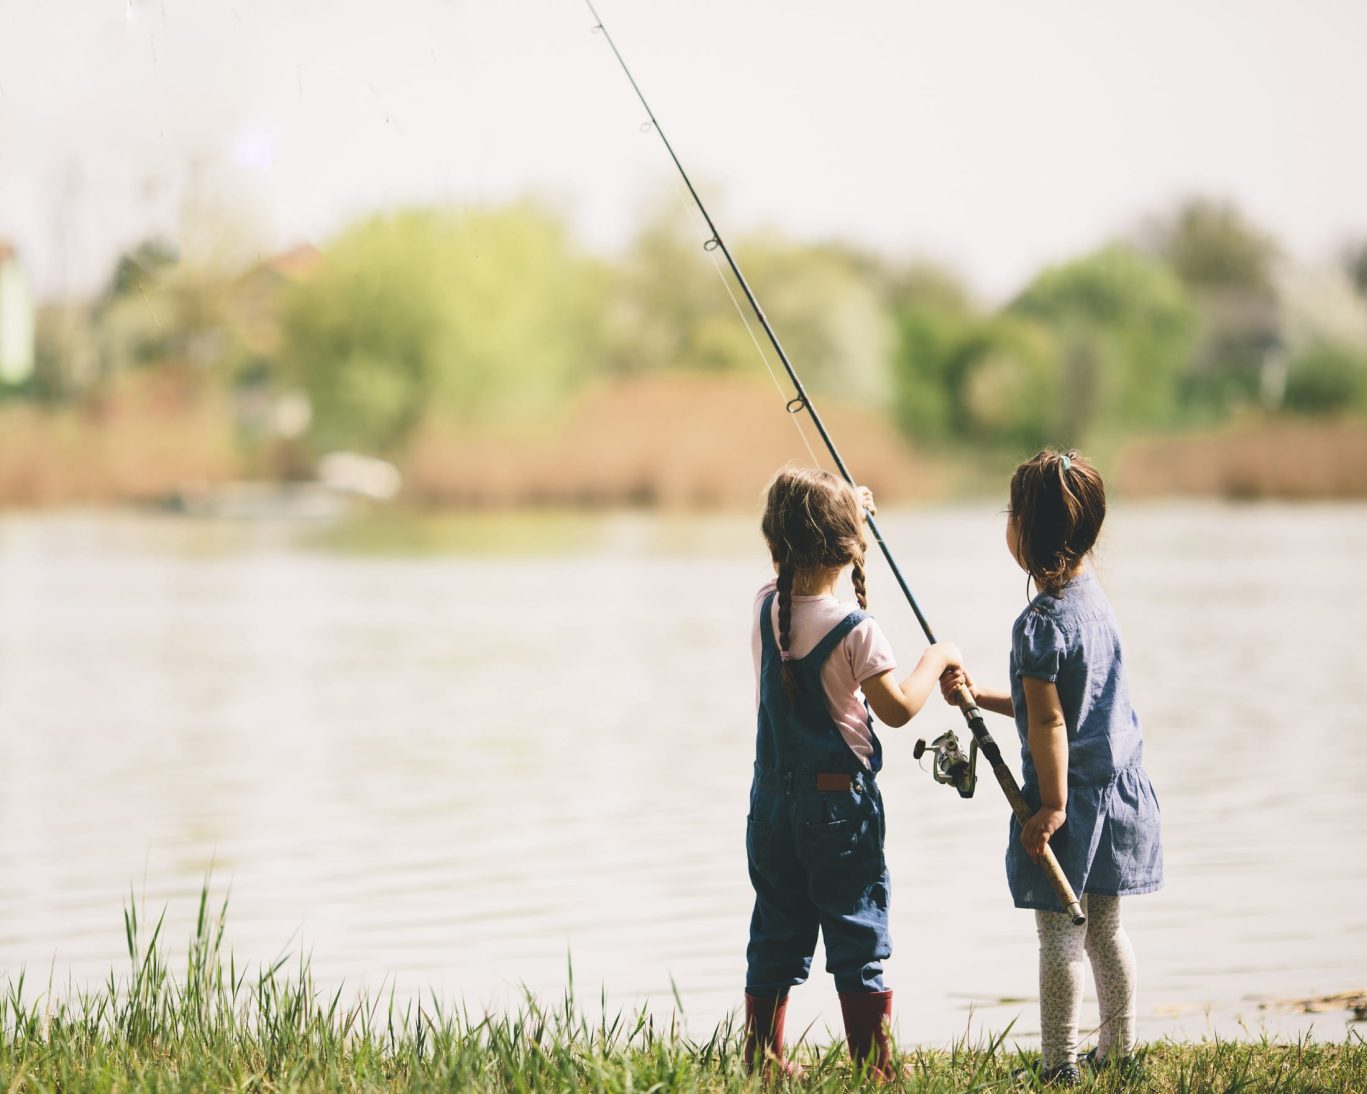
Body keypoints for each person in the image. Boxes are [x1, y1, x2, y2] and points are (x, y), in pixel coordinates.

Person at [940, 449, 1162, 1086]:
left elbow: (1050, 724)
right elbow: (1058, 706)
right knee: (1106, 932)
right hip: (1120, 793)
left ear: (1026, 538)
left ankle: (1059, 1064)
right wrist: (978, 696)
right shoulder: (1097, 605)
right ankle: (1119, 1050)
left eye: (1011, 513)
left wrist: (1052, 808)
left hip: (1072, 804)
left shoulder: (1037, 627)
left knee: (1060, 938)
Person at [744, 466, 962, 1080]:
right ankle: (875, 1068)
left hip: (771, 809)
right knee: (857, 934)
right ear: (847, 550)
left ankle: (761, 1062)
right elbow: (898, 710)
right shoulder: (855, 630)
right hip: (840, 815)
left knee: (776, 929)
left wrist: (849, 516)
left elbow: (799, 562)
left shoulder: (766, 607)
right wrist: (937, 657)